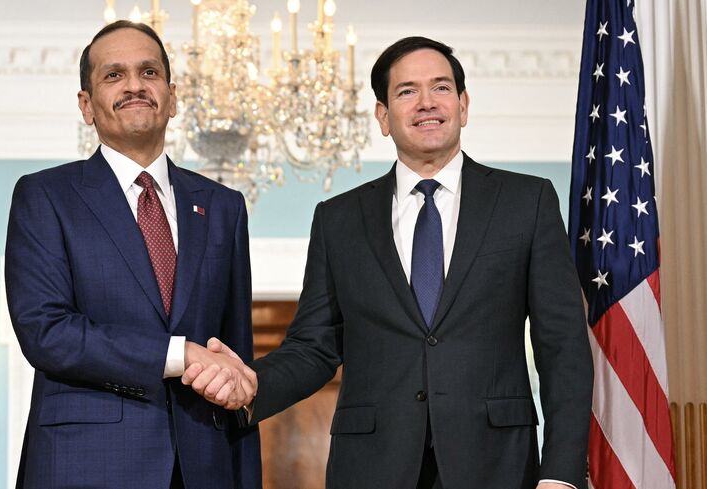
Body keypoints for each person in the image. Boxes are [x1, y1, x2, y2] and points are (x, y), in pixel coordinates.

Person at [185, 36, 593, 489]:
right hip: (371, 467)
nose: (426, 103)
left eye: (440, 88)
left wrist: (561, 475)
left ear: (463, 104)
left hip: (497, 465)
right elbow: (315, 346)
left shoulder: (527, 201)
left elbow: (564, 348)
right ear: (383, 116)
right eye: (406, 91)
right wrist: (252, 382)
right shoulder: (338, 219)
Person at [5, 20, 260, 489]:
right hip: (85, 465)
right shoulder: (45, 196)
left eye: (149, 72)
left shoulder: (224, 207)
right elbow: (47, 332)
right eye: (113, 75)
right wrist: (178, 353)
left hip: (205, 464)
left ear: (172, 96)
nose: (135, 86)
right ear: (87, 105)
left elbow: (234, 356)